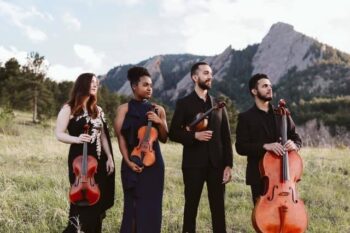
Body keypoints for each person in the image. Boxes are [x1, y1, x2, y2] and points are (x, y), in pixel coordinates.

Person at [169, 61, 233, 233]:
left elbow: (226, 138)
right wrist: (194, 136)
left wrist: (228, 165)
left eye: (210, 73)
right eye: (205, 73)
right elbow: (173, 132)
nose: (210, 76)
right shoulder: (184, 103)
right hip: (193, 165)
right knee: (191, 209)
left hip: (217, 165)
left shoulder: (218, 105)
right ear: (195, 77)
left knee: (218, 210)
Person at [55, 73, 115, 233]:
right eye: (92, 82)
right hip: (79, 160)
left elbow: (102, 135)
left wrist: (109, 157)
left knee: (97, 201)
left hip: (98, 162)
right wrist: (77, 138)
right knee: (80, 201)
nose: (95, 85)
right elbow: (59, 134)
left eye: (97, 83)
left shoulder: (98, 109)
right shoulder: (69, 108)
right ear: (82, 85)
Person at [114, 66, 168, 233]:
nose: (149, 88)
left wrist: (159, 122)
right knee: (132, 207)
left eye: (151, 85)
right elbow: (121, 138)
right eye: (145, 85)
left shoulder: (159, 110)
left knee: (151, 207)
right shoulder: (123, 109)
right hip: (132, 161)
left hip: (154, 165)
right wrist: (128, 161)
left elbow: (165, 138)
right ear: (134, 87)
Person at [235, 73, 302, 205]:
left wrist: (295, 144)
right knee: (263, 218)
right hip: (260, 176)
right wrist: (264, 146)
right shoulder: (245, 117)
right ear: (254, 91)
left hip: (285, 175)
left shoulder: (282, 114)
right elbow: (240, 147)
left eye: (270, 86)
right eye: (265, 86)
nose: (269, 88)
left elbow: (296, 137)